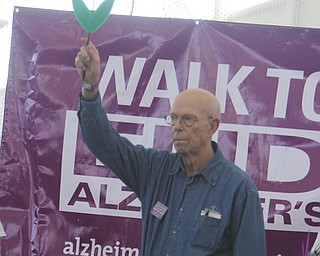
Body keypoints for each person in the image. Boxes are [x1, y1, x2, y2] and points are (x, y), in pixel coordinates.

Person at [75, 38, 267, 256]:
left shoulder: (239, 189)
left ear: (212, 126)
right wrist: (90, 88)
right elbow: (103, 142)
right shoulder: (153, 170)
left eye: (188, 119)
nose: (177, 127)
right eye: (173, 118)